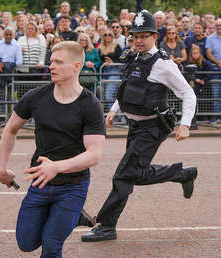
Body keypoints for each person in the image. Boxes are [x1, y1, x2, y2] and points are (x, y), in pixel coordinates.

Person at [81, 10, 198, 242]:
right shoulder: (134, 58)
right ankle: (183, 174)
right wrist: (114, 109)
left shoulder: (164, 65)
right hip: (135, 126)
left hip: (153, 128)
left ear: (154, 36)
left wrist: (185, 125)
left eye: (144, 36)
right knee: (136, 173)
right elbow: (127, 89)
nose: (139, 40)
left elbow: (188, 93)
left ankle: (106, 225)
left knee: (123, 176)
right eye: (135, 36)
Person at [0, 41, 105, 258]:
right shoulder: (36, 96)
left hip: (73, 186)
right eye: (51, 61)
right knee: (26, 243)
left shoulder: (90, 105)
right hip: (40, 182)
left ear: (76, 67)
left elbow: (94, 153)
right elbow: (10, 129)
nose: (51, 66)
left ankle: (70, 215)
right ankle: (75, 218)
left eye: (58, 62)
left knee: (51, 244)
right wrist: (2, 168)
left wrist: (56, 167)